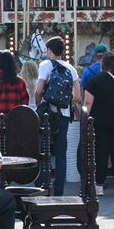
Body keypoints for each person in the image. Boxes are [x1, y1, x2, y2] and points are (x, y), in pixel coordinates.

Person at [33, 36, 80, 195]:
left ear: (50, 51)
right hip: (64, 114)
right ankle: (59, 189)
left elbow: (39, 90)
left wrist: (40, 103)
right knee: (61, 151)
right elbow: (77, 96)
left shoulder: (45, 64)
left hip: (47, 113)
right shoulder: (71, 68)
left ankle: (41, 185)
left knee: (43, 149)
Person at [82, 51, 114, 196]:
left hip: (100, 121)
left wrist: (85, 120)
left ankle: (99, 185)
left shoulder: (95, 80)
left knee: (100, 152)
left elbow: (88, 102)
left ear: (103, 64)